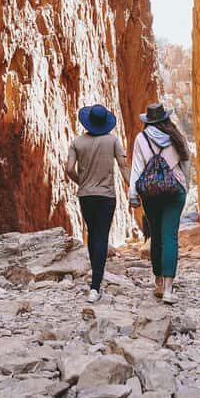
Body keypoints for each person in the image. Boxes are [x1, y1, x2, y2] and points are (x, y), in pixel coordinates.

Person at [66, 104, 129, 303]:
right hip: (107, 196)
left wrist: (82, 182)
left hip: (86, 195)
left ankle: (95, 277)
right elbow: (123, 165)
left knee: (93, 234)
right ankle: (95, 285)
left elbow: (68, 169)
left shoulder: (77, 142)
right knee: (101, 235)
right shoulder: (113, 140)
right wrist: (132, 189)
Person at [128, 102, 190, 304]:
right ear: (165, 118)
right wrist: (185, 186)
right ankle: (169, 290)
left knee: (156, 236)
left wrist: (133, 194)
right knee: (170, 237)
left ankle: (158, 282)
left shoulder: (141, 138)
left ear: (148, 120)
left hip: (151, 193)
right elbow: (185, 164)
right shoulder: (175, 136)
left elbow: (137, 167)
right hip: (175, 190)